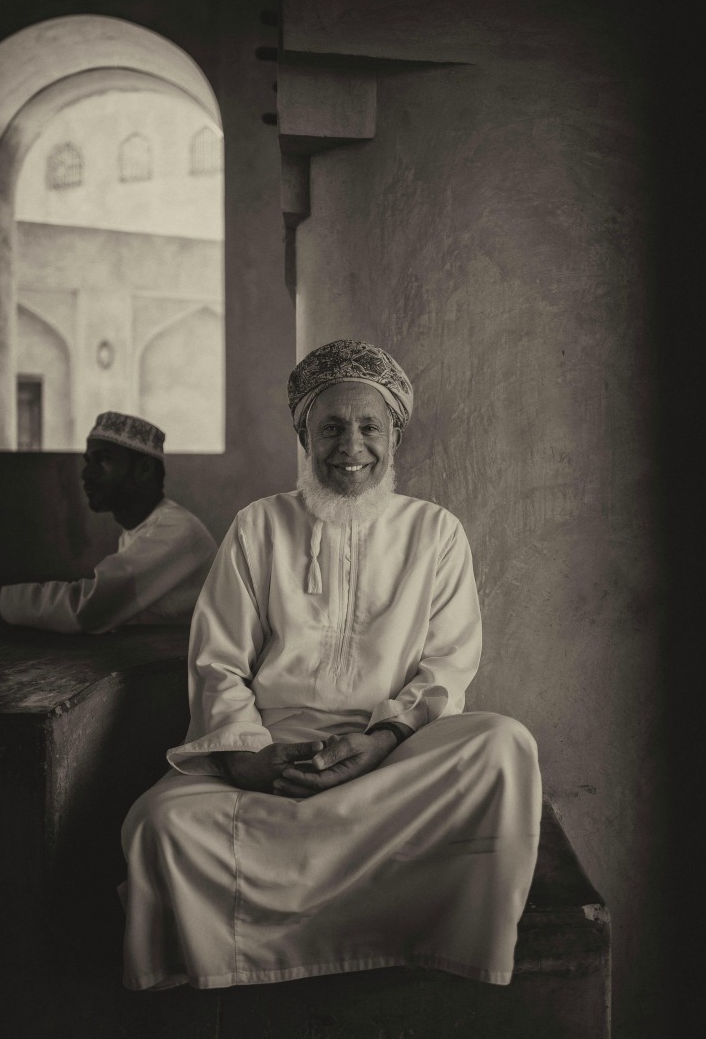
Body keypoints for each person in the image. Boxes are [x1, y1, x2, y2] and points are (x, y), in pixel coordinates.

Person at [121, 340, 542, 991]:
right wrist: (249, 755)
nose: (351, 446)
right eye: (331, 427)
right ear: (304, 437)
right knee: (160, 824)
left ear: (393, 438)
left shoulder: (435, 533)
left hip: (387, 765)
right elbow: (218, 662)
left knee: (502, 745)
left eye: (369, 426)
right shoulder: (257, 527)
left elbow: (444, 670)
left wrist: (380, 741)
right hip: (270, 768)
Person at [0, 411, 217, 633]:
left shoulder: (176, 530)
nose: (86, 473)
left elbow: (86, 609)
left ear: (144, 469)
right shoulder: (139, 529)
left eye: (103, 460)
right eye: (88, 461)